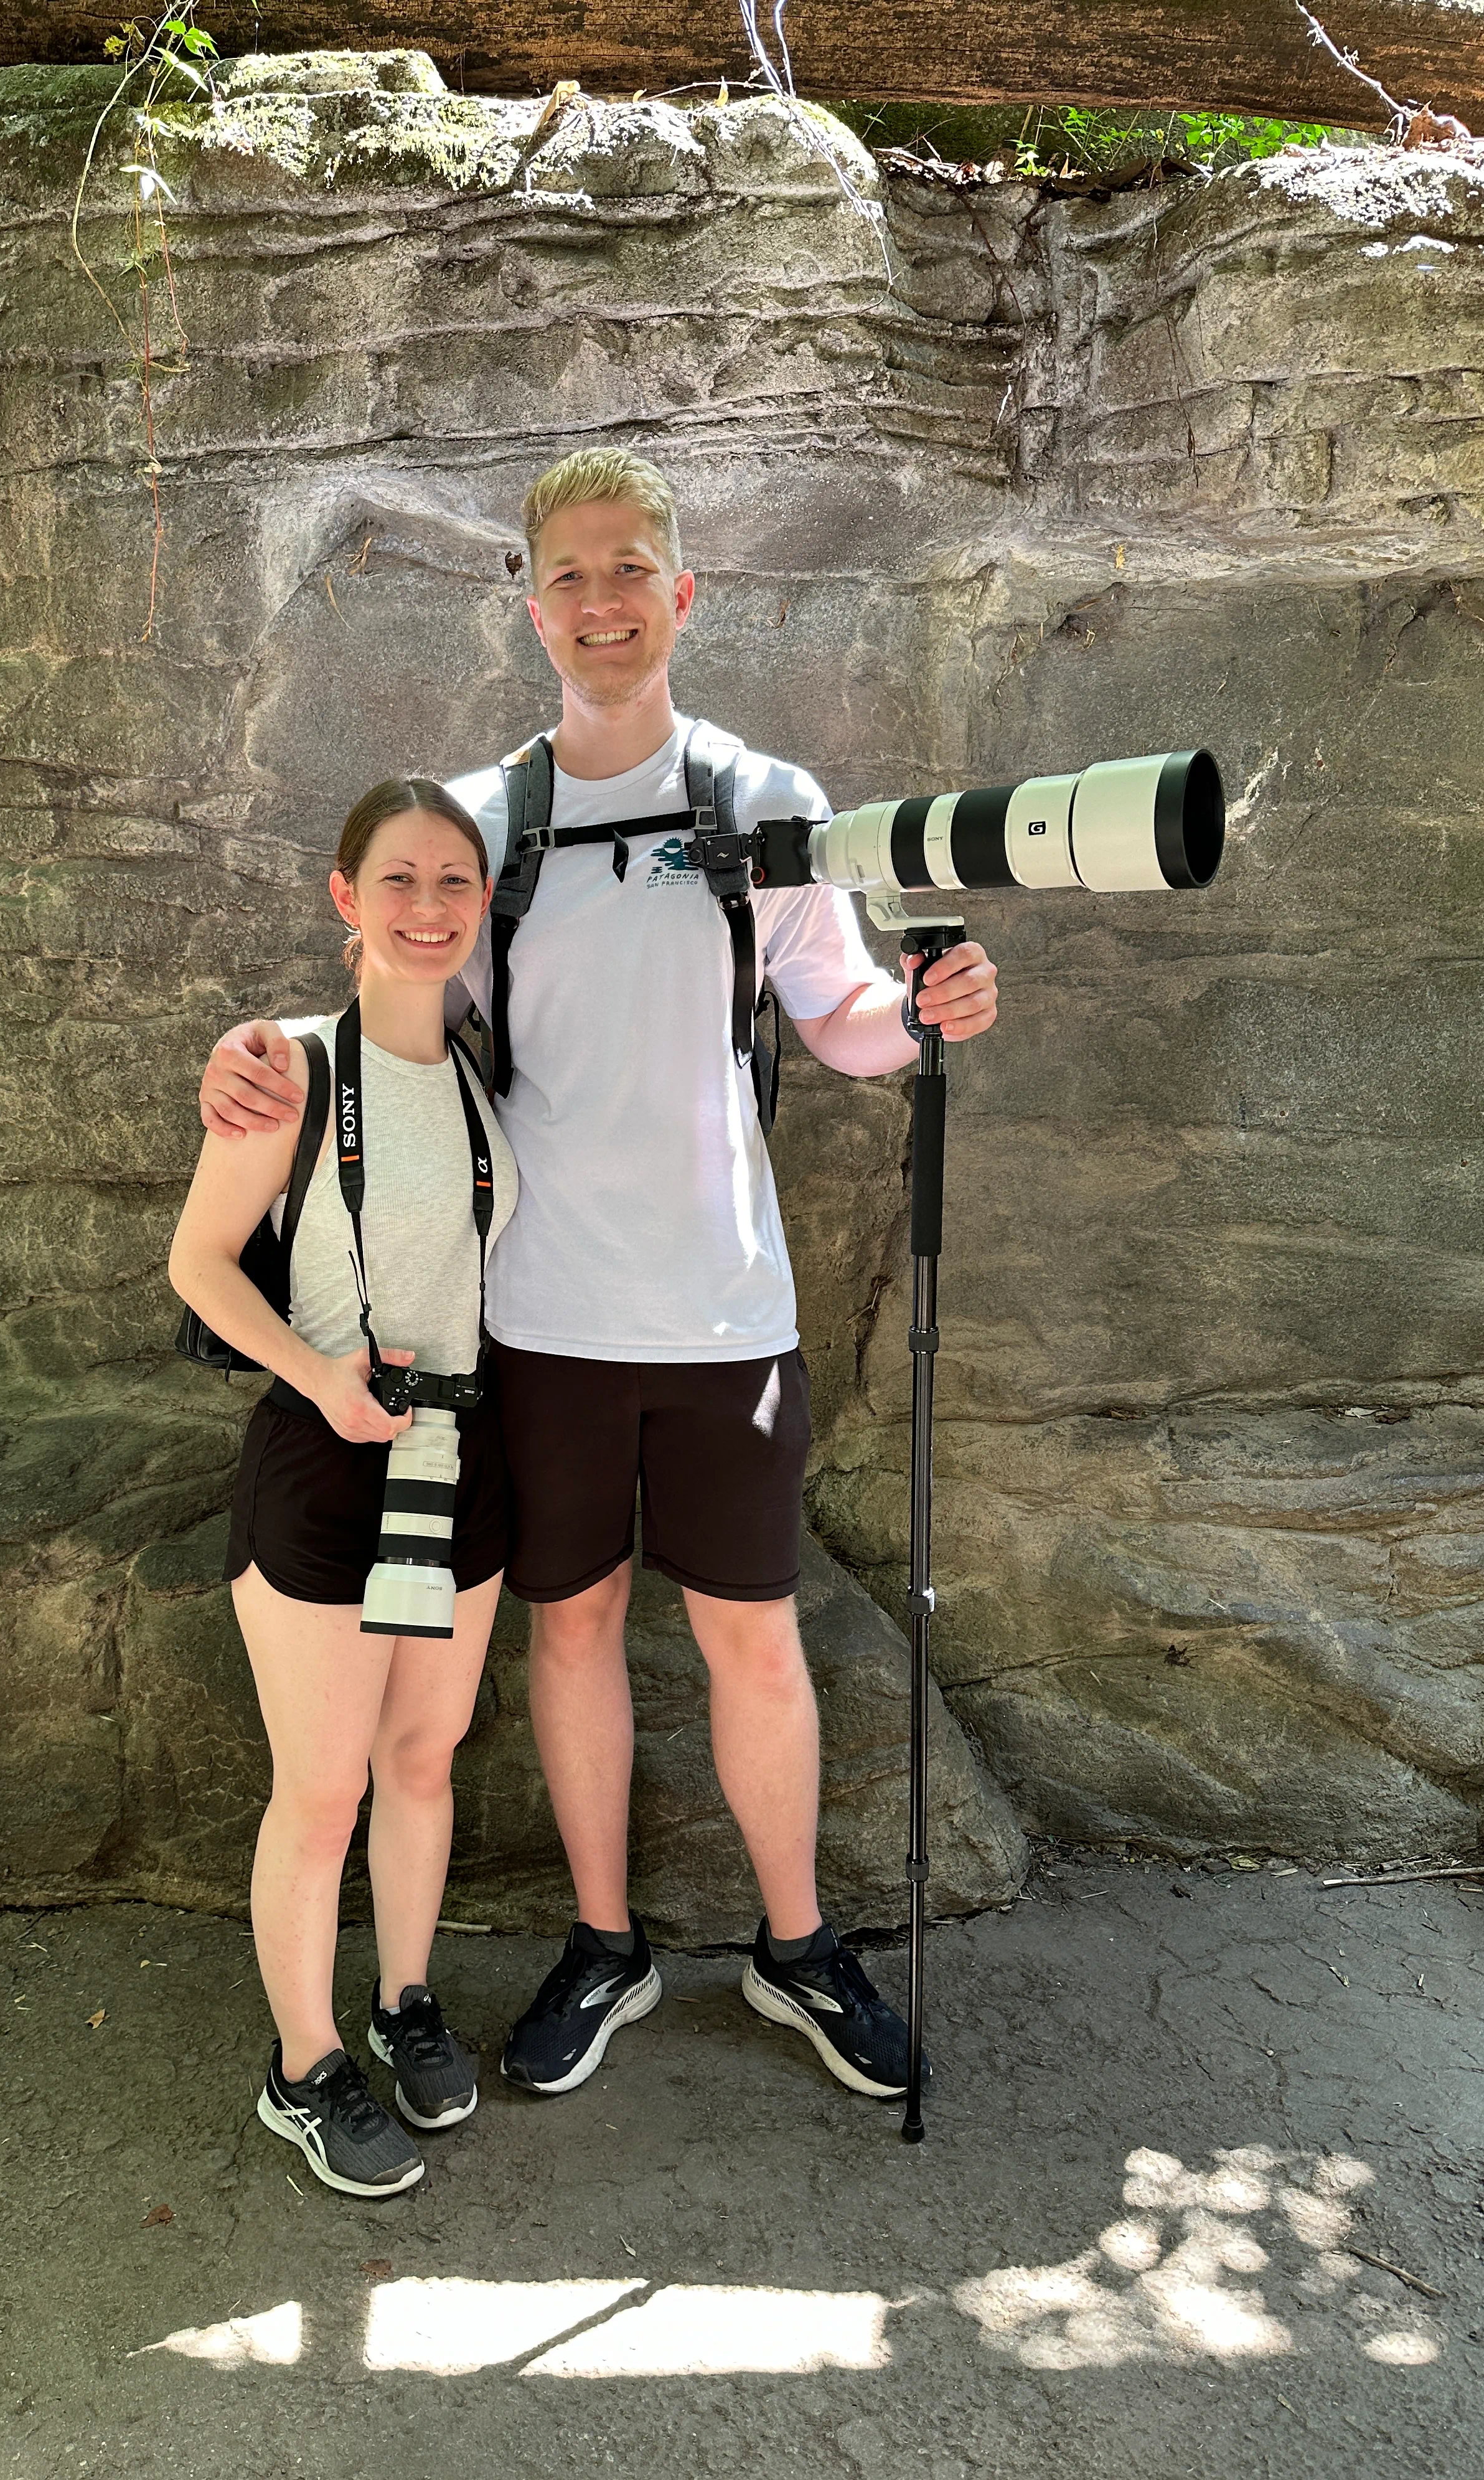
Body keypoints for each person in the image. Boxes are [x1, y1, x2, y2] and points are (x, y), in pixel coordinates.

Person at [197, 450, 999, 2105]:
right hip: (538, 1325)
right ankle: (605, 1941)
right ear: (533, 605)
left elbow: (842, 1018)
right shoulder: (490, 825)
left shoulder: (767, 803)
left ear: (682, 592)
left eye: (631, 567)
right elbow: (405, 993)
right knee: (568, 1640)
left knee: (754, 1640)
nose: (602, 601)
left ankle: (797, 1949)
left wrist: (924, 1015)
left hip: (723, 1312)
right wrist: (265, 1059)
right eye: (568, 574)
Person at [168, 778, 518, 2196]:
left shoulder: (491, 1070)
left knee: (422, 1761)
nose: (428, 909)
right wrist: (319, 1377)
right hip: (332, 1456)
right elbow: (197, 1265)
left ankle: (406, 2000)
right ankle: (303, 2066)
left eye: (454, 884)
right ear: (344, 898)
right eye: (399, 882)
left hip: (467, 1455)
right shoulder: (288, 1069)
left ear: (482, 904)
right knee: (320, 1794)